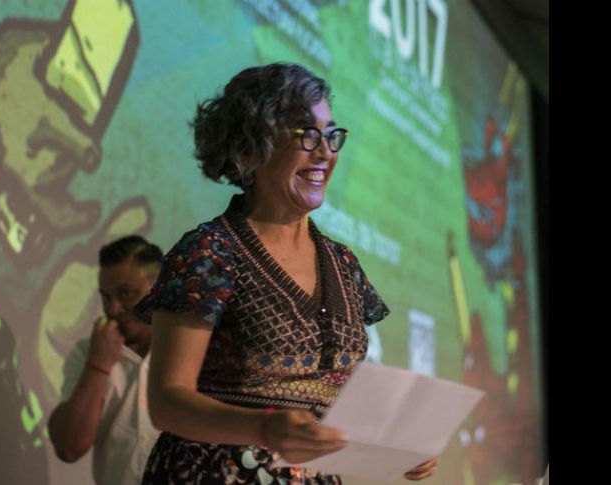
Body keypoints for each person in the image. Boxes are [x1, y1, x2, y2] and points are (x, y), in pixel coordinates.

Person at [135, 63, 439, 483]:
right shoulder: (209, 252)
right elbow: (167, 401)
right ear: (247, 150)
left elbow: (333, 397)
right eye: (305, 134)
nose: (325, 152)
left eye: (331, 135)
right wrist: (262, 426)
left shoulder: (343, 264)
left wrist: (393, 441)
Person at [48, 235, 162, 484]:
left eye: (126, 293)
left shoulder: (193, 346)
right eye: (105, 297)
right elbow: (69, 447)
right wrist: (98, 365)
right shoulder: (88, 352)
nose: (112, 308)